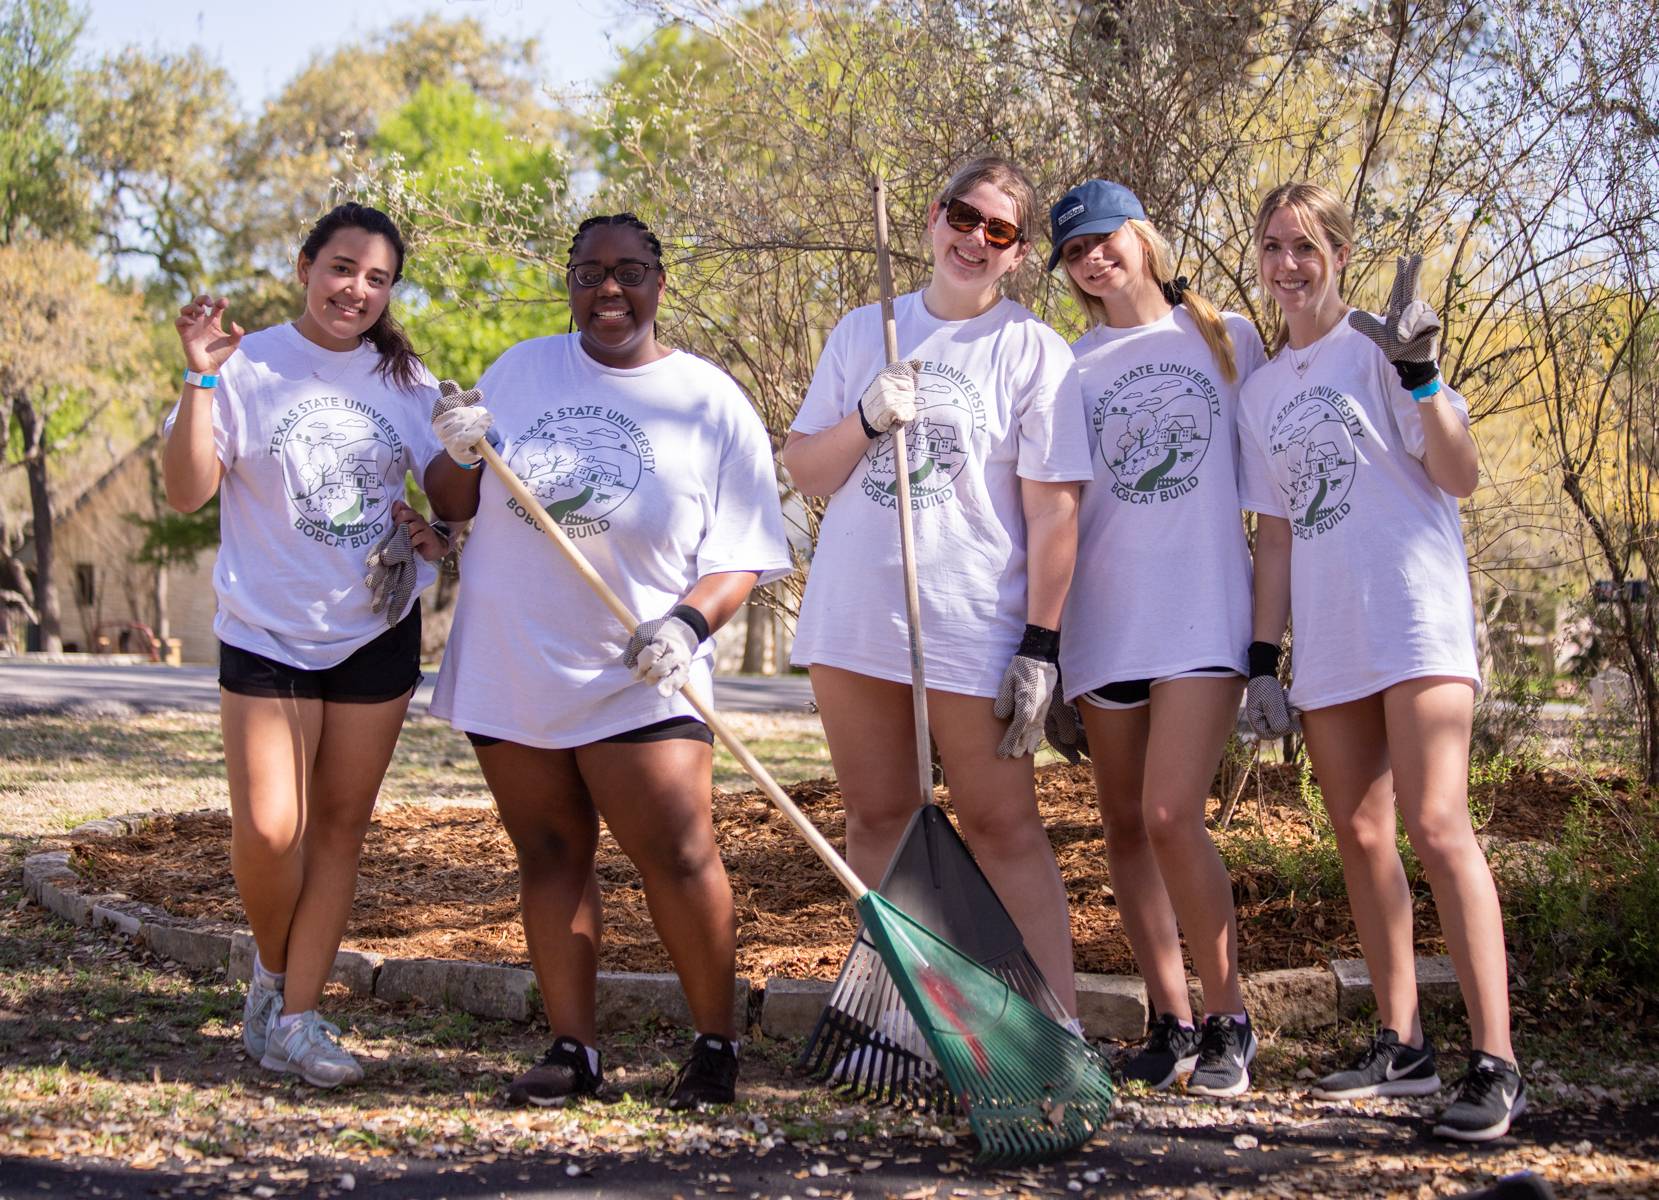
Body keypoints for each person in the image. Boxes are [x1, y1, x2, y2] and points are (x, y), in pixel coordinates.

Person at [425, 213, 792, 1110]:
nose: (608, 291)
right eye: (589, 273)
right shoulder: (520, 370)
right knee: (549, 852)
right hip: (517, 660)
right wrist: (456, 444)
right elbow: (451, 500)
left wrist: (687, 627)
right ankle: (573, 1049)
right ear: (571, 283)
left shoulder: (709, 399)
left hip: (643, 668)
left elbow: (740, 551)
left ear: (660, 282)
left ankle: (713, 1046)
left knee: (677, 850)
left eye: (629, 272)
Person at [1236, 181, 1522, 1141]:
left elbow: (1459, 474)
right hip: (1329, 636)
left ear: (1339, 254)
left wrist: (1424, 377)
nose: (1287, 264)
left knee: (1438, 828)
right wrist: (1259, 658)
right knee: (1361, 838)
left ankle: (1496, 1061)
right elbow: (1273, 536)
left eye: (1305, 246)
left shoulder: (1382, 348)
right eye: (1273, 246)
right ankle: (1400, 1046)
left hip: (1413, 618)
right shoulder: (1262, 389)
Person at [780, 156, 1090, 1024]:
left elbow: (1054, 511)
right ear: (932, 216)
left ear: (1020, 254)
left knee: (1002, 829)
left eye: (999, 231)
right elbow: (805, 469)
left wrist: (1041, 644)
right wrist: (868, 418)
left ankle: (1055, 1028)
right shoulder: (864, 331)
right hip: (856, 618)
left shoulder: (1033, 350)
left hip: (971, 624)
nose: (974, 240)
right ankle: (914, 1025)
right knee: (879, 820)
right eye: (964, 217)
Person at [163, 202, 450, 1087]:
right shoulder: (246, 366)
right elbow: (183, 492)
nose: (355, 290)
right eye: (341, 269)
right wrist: (199, 381)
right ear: (304, 267)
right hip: (266, 631)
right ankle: (275, 969)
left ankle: (294, 1017)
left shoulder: (409, 384)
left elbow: (453, 497)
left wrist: (437, 530)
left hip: (375, 630)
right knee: (270, 827)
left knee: (336, 830)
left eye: (376, 278)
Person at [1044, 179, 1265, 1095]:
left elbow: (1277, 487)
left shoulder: (1224, 340)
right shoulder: (1071, 365)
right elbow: (1055, 505)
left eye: (1103, 238)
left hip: (1203, 614)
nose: (1093, 259)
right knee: (1126, 828)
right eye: (1073, 252)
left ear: (1140, 237)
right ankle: (1168, 1020)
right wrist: (1042, 640)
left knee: (1174, 815)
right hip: (1106, 621)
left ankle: (1228, 1017)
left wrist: (1277, 639)